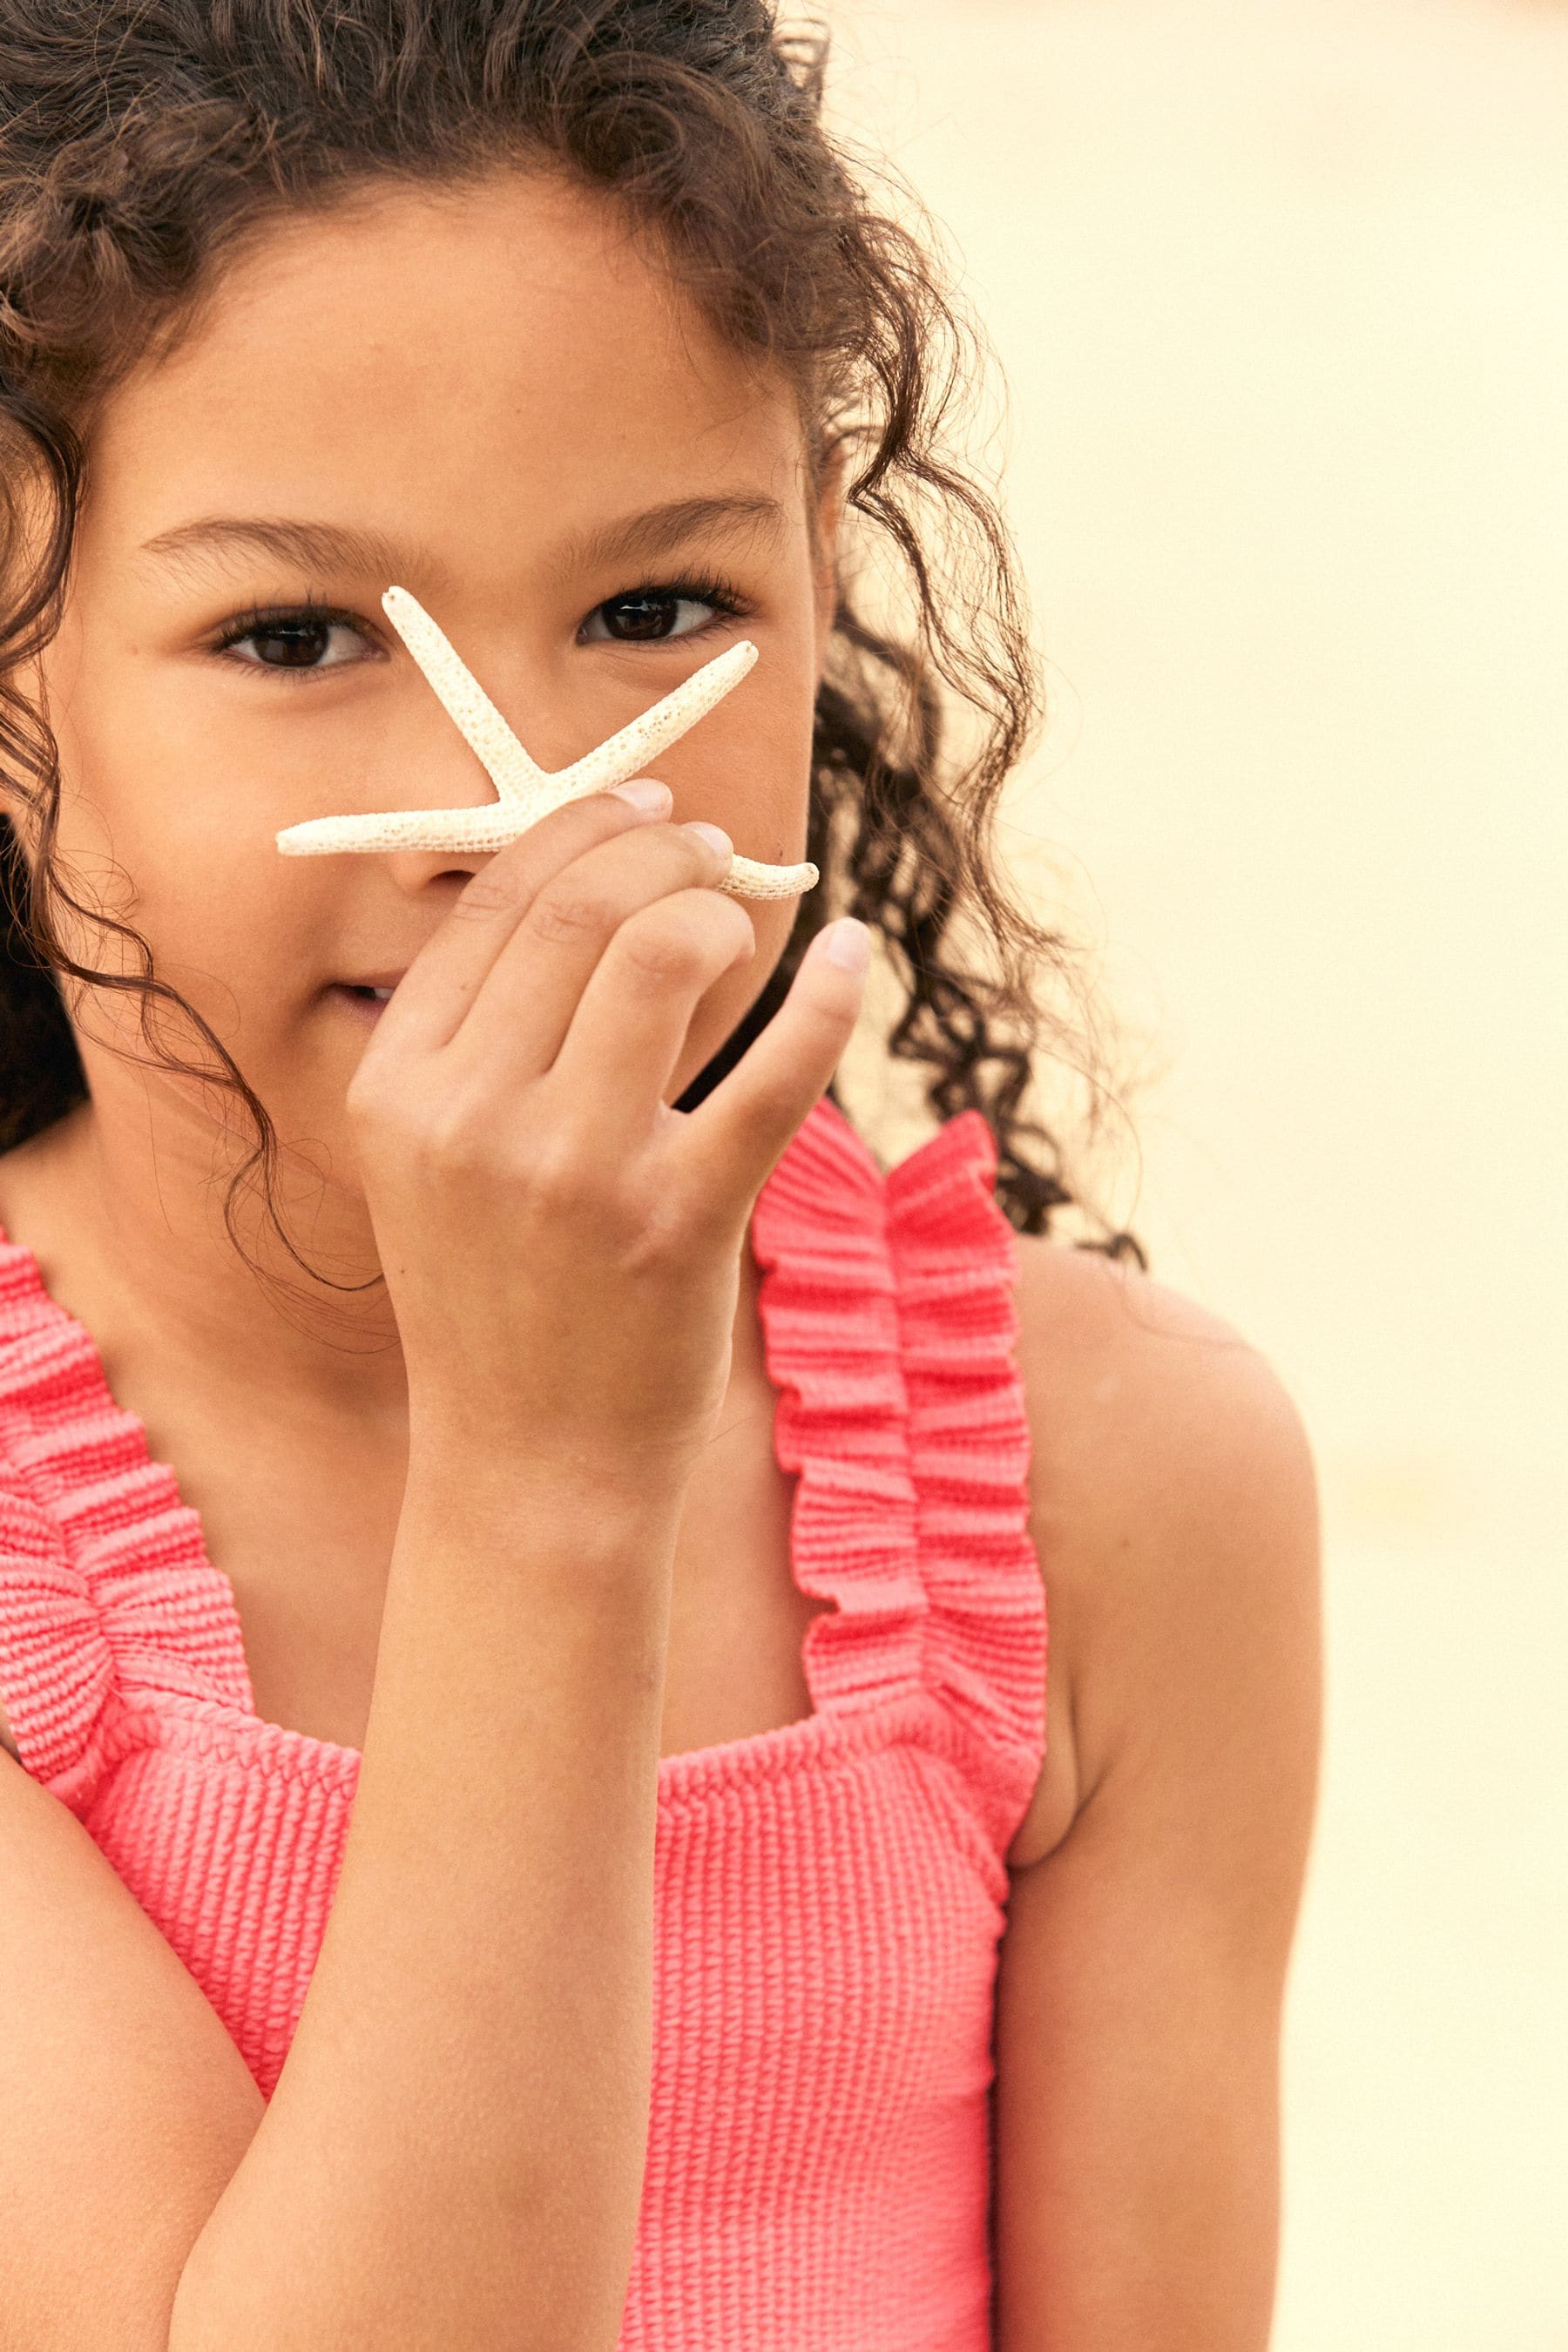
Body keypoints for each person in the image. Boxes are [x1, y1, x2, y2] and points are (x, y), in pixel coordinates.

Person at [0, 4, 1323, 2347]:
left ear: (823, 575)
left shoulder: (1115, 1479)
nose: (523, 816)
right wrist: (546, 1481)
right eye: (292, 632)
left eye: (658, 612)